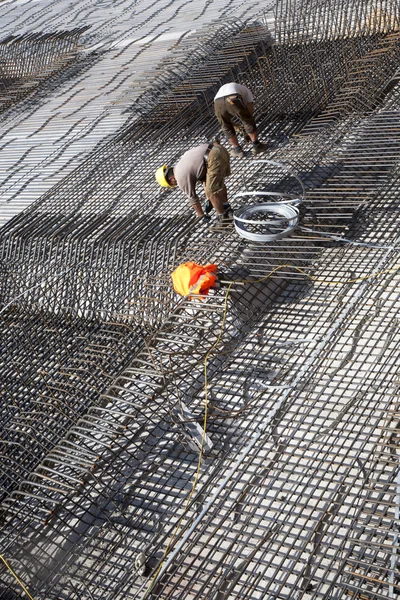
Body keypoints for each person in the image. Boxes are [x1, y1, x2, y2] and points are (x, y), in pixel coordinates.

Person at [155, 140, 233, 225]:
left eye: (172, 184)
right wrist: (208, 198)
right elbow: (205, 178)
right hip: (219, 149)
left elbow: (193, 199)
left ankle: (223, 217)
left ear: (171, 178)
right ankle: (226, 207)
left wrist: (201, 215)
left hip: (213, 157)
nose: (175, 185)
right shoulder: (182, 164)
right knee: (217, 185)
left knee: (211, 191)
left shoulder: (180, 178)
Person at [214, 82, 268, 158]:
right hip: (232, 99)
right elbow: (250, 111)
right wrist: (247, 127)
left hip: (217, 102)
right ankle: (257, 146)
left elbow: (226, 119)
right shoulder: (246, 91)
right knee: (247, 120)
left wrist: (237, 126)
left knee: (226, 126)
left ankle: (237, 150)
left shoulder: (223, 89)